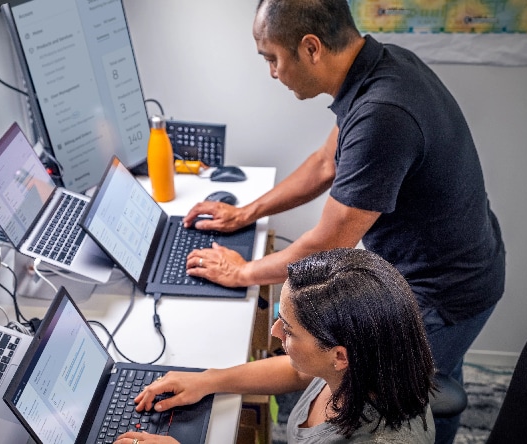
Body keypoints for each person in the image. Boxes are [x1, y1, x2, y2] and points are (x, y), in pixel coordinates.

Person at [182, 0, 506, 442]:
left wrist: (243, 272)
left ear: (311, 48)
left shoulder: (383, 112)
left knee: (406, 399)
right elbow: (323, 165)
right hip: (452, 262)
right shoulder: (378, 68)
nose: (273, 73)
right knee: (433, 383)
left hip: (442, 288)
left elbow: (325, 245)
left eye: (273, 58)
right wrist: (247, 211)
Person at [115, 248, 436, 444]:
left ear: (340, 356)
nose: (275, 331)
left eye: (290, 331)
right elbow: (298, 372)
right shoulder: (362, 363)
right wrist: (209, 379)